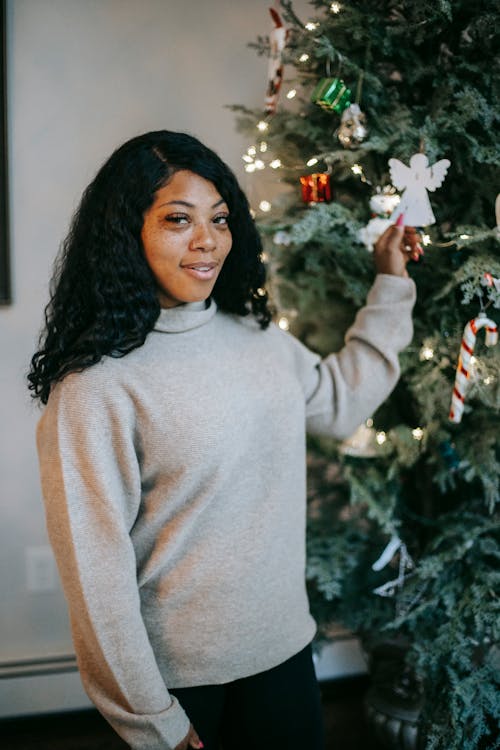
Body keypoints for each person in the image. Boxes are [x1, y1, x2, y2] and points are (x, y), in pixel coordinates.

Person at [29, 130, 419, 750]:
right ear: (127, 232)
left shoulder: (256, 338)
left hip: (286, 652)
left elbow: (340, 405)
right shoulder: (96, 387)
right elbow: (96, 575)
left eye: (219, 219)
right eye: (178, 220)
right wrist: (152, 719)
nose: (207, 240)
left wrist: (390, 285)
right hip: (180, 688)